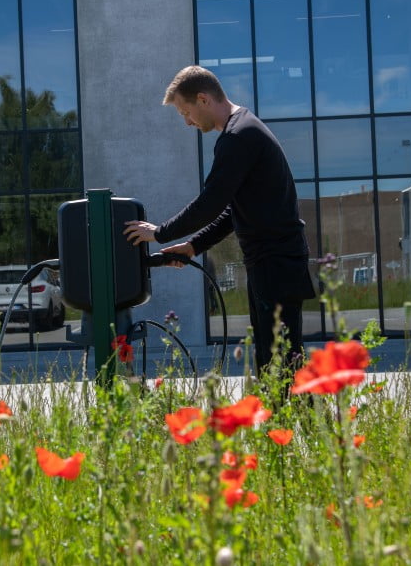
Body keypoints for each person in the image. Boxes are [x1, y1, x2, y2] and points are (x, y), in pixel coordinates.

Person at [124, 65, 316, 380]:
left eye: (186, 113)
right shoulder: (244, 129)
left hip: (275, 264)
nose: (187, 122)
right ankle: (287, 413)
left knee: (280, 365)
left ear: (203, 99)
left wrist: (159, 233)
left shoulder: (238, 137)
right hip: (273, 263)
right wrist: (193, 246)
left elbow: (209, 204)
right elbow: (231, 212)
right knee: (275, 362)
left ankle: (294, 414)